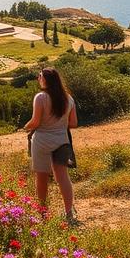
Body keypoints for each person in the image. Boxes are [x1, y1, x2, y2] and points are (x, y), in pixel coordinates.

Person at [22, 66, 78, 224]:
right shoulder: (68, 98)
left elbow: (35, 122)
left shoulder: (40, 98)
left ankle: (43, 215)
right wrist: (59, 124)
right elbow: (73, 123)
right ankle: (69, 212)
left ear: (46, 79)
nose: (38, 79)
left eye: (40, 76)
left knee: (41, 178)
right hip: (62, 140)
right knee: (63, 178)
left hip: (42, 142)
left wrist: (25, 127)